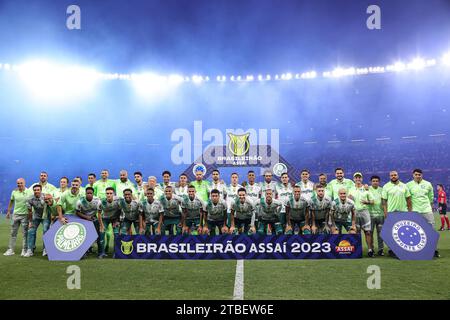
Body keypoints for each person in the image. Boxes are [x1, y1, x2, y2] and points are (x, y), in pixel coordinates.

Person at [406, 169, 439, 258]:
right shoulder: (408, 185)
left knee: (431, 230)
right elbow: (407, 198)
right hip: (415, 211)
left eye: (419, 174)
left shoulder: (428, 184)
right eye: (416, 174)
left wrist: (430, 208)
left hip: (427, 210)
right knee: (415, 231)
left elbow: (431, 197)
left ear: (422, 175)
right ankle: (416, 250)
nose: (418, 176)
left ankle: (434, 249)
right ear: (413, 175)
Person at [382, 171, 412, 257]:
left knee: (404, 232)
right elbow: (384, 202)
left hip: (403, 212)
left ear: (398, 176)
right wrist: (386, 213)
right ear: (389, 177)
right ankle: (393, 250)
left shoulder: (404, 186)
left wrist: (410, 212)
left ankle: (404, 250)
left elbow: (409, 200)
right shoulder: (386, 186)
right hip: (391, 213)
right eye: (391, 175)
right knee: (393, 233)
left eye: (395, 175)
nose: (393, 176)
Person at [4, 178, 32, 257]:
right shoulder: (14, 192)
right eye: (18, 183)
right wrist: (9, 211)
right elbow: (11, 201)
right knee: (13, 233)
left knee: (25, 234)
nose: (19, 184)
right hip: (15, 215)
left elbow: (32, 202)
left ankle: (24, 250)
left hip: (25, 215)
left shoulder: (29, 192)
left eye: (21, 183)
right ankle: (11, 250)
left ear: (24, 183)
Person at [348, 173, 374, 257]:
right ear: (354, 179)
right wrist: (349, 198)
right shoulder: (351, 189)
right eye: (356, 178)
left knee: (368, 232)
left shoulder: (366, 188)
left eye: (359, 177)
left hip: (364, 211)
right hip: (355, 212)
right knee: (356, 232)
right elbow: (348, 200)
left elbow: (372, 201)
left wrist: (366, 202)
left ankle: (370, 250)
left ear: (361, 179)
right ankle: (358, 251)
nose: (358, 179)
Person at [75, 187, 105, 258]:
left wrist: (100, 224)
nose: (89, 194)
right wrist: (86, 217)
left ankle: (101, 252)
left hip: (94, 218)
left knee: (99, 234)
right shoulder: (80, 201)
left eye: (90, 193)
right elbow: (77, 212)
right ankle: (84, 251)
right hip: (83, 218)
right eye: (87, 193)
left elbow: (100, 213)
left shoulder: (98, 201)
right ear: (85, 193)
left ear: (93, 194)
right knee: (84, 235)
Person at [24, 185, 48, 257]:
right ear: (33, 191)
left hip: (45, 216)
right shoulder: (30, 198)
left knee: (45, 230)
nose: (36, 191)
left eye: (38, 190)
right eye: (35, 190)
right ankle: (30, 250)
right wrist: (30, 222)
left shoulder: (45, 197)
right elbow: (30, 211)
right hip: (36, 216)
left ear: (41, 190)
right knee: (31, 231)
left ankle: (45, 249)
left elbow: (50, 207)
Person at [97, 187, 121, 255]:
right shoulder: (101, 202)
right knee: (101, 233)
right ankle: (101, 252)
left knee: (116, 234)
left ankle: (115, 252)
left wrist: (117, 221)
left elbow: (120, 211)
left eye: (111, 193)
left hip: (115, 218)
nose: (109, 195)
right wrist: (101, 225)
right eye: (107, 193)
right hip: (105, 218)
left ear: (114, 194)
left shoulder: (118, 200)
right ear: (105, 194)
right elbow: (99, 214)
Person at [368, 175, 385, 256]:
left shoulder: (382, 190)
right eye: (373, 181)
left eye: (376, 181)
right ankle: (371, 249)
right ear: (371, 182)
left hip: (380, 215)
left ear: (379, 182)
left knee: (380, 233)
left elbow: (385, 202)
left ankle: (381, 249)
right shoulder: (367, 189)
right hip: (370, 215)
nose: (375, 182)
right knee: (370, 233)